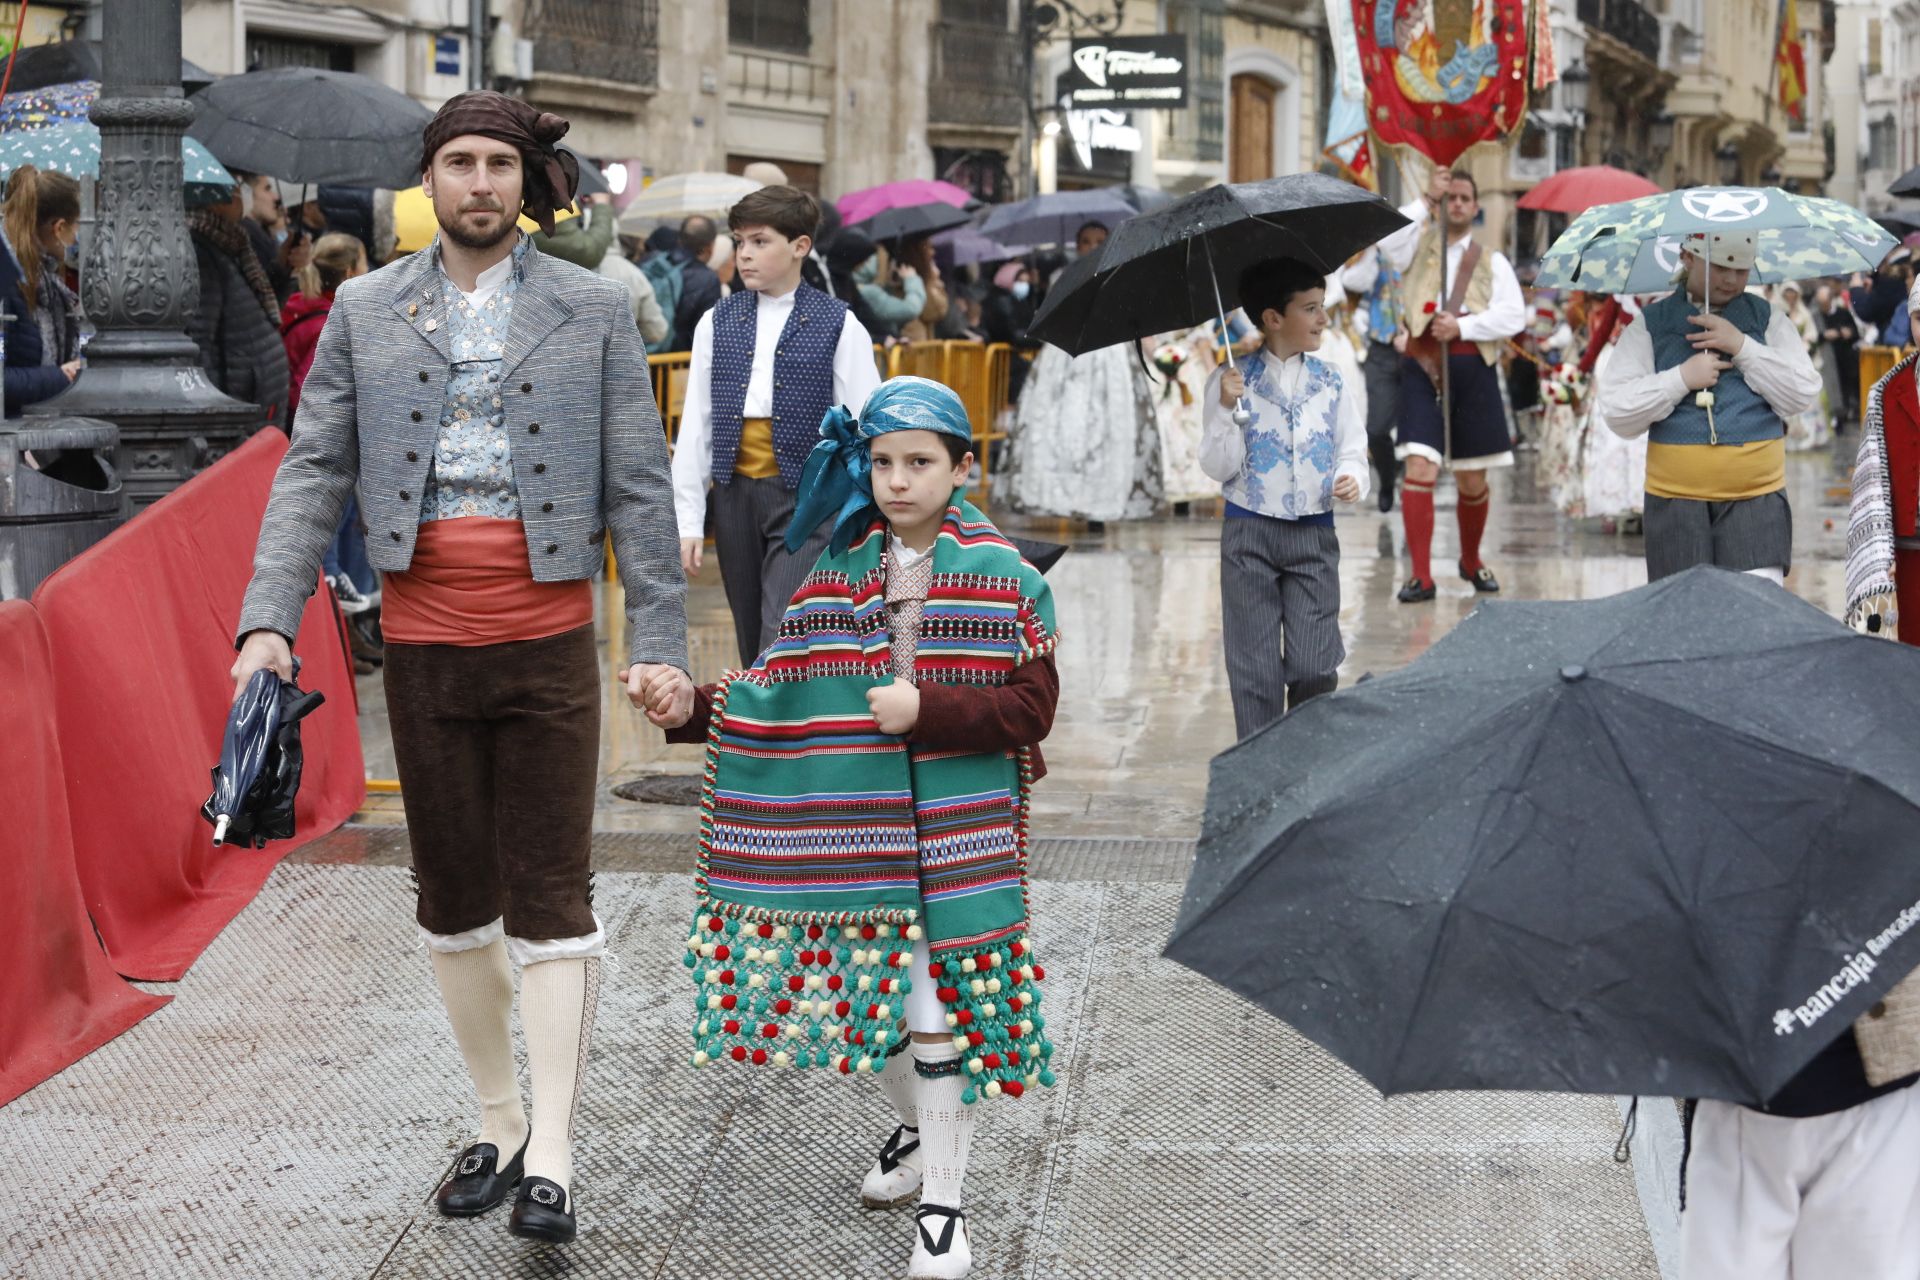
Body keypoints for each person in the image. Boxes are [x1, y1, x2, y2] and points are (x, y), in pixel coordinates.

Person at [229, 90, 691, 1246]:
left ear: (527, 183)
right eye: (460, 164)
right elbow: (312, 466)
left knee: (553, 897)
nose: (480, 182)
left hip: (546, 647)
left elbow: (639, 487)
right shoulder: (365, 307)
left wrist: (664, 647)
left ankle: (558, 1148)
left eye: (498, 165)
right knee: (452, 903)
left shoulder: (590, 308)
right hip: (426, 648)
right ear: (428, 183)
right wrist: (266, 619)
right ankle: (497, 1118)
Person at [653, 376, 1061, 1280]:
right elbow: (776, 690)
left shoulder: (1006, 578)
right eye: (881, 463)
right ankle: (917, 1132)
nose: (898, 481)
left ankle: (946, 1215)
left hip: (960, 830)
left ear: (963, 468)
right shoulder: (836, 575)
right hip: (856, 828)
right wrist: (688, 707)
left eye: (920, 463)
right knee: (880, 1009)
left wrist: (929, 710)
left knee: (933, 1010)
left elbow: (1031, 710)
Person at [670, 184, 883, 666]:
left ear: (800, 247)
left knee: (780, 633)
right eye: (739, 242)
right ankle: (762, 737)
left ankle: (775, 733)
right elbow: (697, 428)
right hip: (732, 497)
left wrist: (868, 515)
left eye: (760, 241)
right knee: (749, 635)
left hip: (807, 501)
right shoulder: (715, 321)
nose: (744, 254)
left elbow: (865, 425)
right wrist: (686, 519)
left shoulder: (840, 323)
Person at [1198, 258, 1368, 737]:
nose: (1323, 319)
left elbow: (1353, 449)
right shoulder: (1229, 380)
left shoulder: (1332, 381)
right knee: (1254, 671)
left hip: (1314, 537)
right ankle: (1259, 772)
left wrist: (1352, 476)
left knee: (1316, 665)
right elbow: (1217, 466)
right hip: (1248, 534)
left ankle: (1302, 756)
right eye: (1311, 309)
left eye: (1323, 307)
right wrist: (1227, 411)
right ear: (1273, 318)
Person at [1596, 232, 1821, 584]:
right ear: (1687, 257)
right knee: (1684, 621)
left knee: (1753, 614)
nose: (1731, 279)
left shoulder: (1767, 318)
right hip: (1675, 503)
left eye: (1741, 268)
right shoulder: (1651, 324)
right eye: (1719, 267)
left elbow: (1801, 394)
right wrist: (1680, 379)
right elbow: (1617, 411)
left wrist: (1743, 347)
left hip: (1755, 498)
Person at [1377, 167, 1524, 602]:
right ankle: (1421, 575)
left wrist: (1463, 326)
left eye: (1464, 197)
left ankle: (1471, 560)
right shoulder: (1414, 247)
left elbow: (1514, 316)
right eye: (1451, 197)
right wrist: (1425, 200)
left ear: (1475, 207)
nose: (1457, 203)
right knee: (1419, 468)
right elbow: (1387, 242)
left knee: (1471, 480)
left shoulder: (1492, 260)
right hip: (1421, 369)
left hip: (1471, 371)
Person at [281, 232, 379, 620]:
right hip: (326, 438)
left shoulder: (304, 310)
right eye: (365, 263)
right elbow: (314, 386)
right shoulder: (326, 323)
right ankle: (336, 587)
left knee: (347, 517)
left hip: (312, 432)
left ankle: (356, 614)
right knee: (334, 515)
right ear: (350, 272)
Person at [1847, 274, 1920, 642]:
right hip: (1909, 545)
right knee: (1910, 647)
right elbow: (1872, 474)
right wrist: (1879, 549)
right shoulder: (1888, 390)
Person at [186, 181, 290, 430]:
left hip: (250, 399)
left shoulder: (229, 240)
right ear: (215, 199)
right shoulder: (202, 249)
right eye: (236, 189)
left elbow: (256, 307)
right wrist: (216, 415)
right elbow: (199, 341)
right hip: (238, 405)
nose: (242, 197)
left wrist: (284, 266)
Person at [2, 165, 86, 384]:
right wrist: (61, 376)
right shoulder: (8, 279)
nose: (78, 237)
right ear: (59, 228)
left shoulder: (48, 282)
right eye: (77, 226)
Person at [1340, 244, 1403, 511]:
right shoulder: (1376, 256)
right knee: (1376, 430)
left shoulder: (1432, 252)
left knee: (1419, 435)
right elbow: (1351, 281)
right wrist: (1369, 251)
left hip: (1422, 348)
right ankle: (1388, 479)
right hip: (1381, 349)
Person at [667, 214, 724, 353]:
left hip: (643, 358)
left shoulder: (657, 263)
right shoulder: (708, 279)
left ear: (680, 240)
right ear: (710, 246)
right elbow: (707, 332)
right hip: (680, 361)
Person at [898, 234, 949, 343]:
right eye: (928, 247)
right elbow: (932, 311)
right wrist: (930, 281)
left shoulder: (925, 276)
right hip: (913, 346)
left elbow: (939, 310)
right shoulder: (905, 276)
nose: (932, 252)